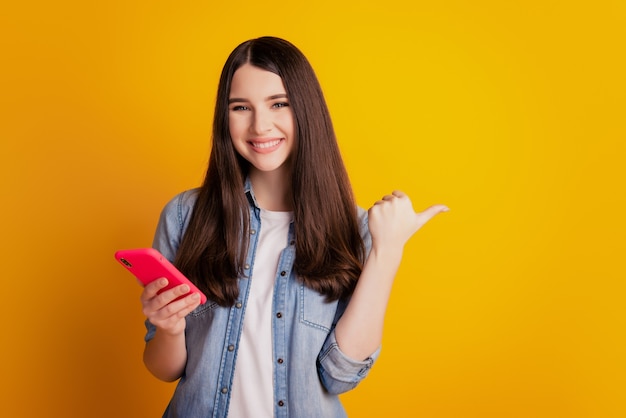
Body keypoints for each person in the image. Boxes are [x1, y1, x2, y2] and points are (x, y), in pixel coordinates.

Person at [140, 36, 448, 418]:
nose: (260, 125)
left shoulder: (354, 228)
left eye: (278, 104)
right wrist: (168, 328)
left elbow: (340, 376)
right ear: (225, 116)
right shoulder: (185, 216)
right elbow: (163, 368)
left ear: (305, 109)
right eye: (240, 107)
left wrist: (387, 252)